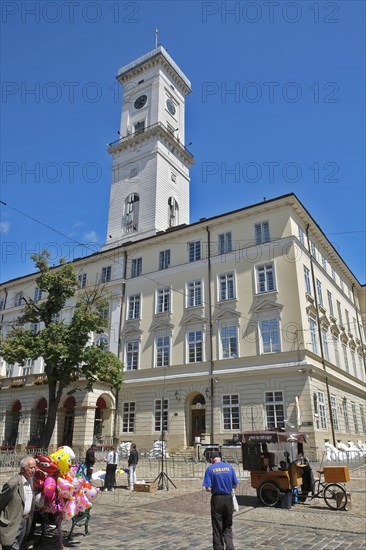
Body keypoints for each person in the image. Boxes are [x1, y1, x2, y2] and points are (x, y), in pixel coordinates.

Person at [202, 452, 238, 550]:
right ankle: (230, 547)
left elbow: (208, 488)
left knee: (217, 527)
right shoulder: (230, 467)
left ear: (212, 459)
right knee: (228, 525)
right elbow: (235, 485)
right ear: (220, 458)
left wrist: (215, 487)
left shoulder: (210, 469)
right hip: (228, 498)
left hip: (217, 499)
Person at [0, 455, 36, 550]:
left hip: (23, 522)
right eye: (31, 467)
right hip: (12, 524)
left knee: (18, 546)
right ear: (23, 469)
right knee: (12, 547)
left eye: (35, 467)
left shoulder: (30, 481)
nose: (34, 470)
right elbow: (1, 503)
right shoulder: (13, 484)